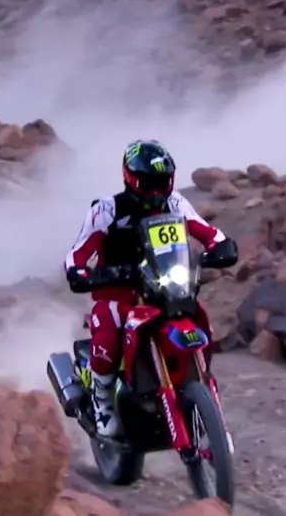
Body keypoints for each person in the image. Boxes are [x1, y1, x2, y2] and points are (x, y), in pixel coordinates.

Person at [65, 139, 236, 438]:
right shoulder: (107, 210)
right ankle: (102, 401)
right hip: (117, 292)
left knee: (201, 319)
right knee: (109, 332)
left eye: (162, 183)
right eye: (149, 183)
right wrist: (80, 272)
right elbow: (77, 254)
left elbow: (210, 233)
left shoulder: (176, 204)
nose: (156, 191)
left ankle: (196, 381)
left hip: (164, 288)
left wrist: (221, 248)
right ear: (130, 178)